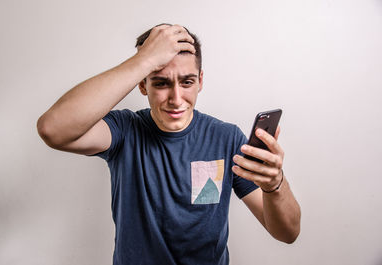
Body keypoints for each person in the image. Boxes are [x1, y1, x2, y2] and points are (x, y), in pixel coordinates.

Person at [37, 23, 301, 265]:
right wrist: (144, 60)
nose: (176, 99)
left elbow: (287, 233)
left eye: (187, 82)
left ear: (200, 81)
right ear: (142, 84)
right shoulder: (124, 131)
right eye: (161, 83)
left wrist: (275, 185)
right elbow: (53, 128)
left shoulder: (226, 138)